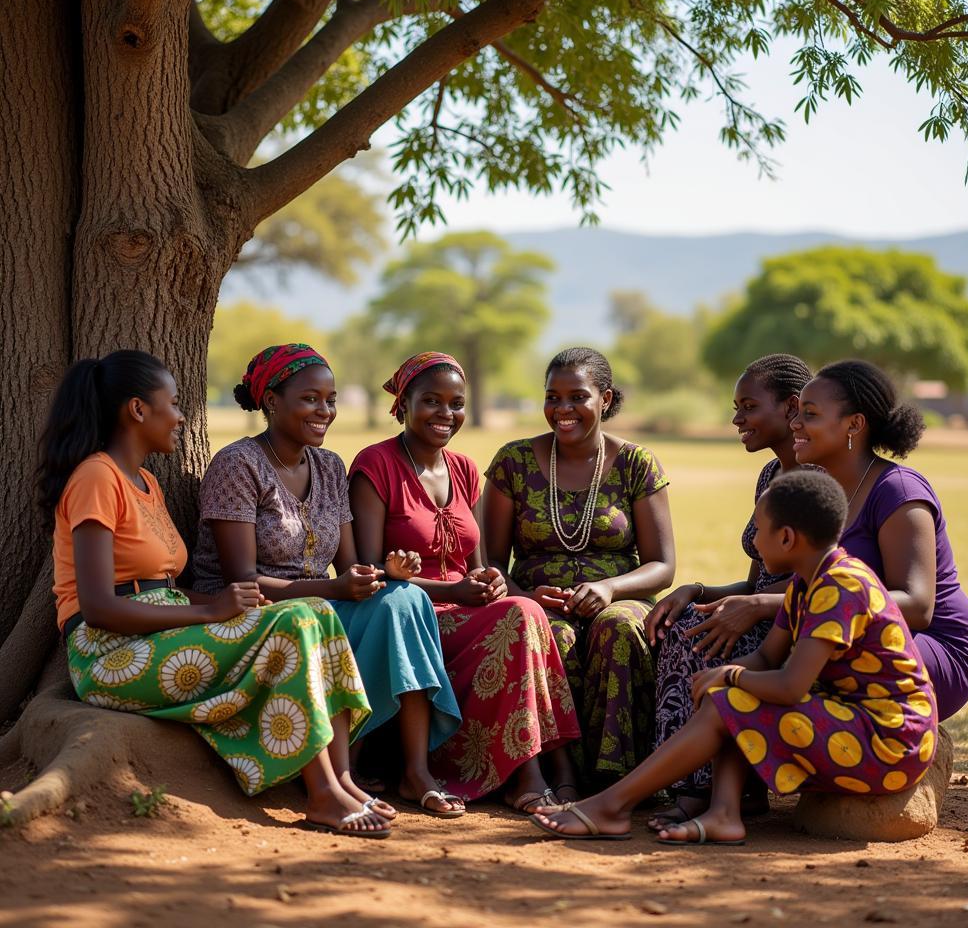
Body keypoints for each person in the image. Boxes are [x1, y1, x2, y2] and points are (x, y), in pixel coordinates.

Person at [40, 350, 388, 838]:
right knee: (293, 621)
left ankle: (340, 780)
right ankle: (322, 795)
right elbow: (98, 608)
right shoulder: (97, 477)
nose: (183, 417)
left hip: (157, 631)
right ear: (138, 410)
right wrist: (211, 614)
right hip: (108, 654)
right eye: (175, 403)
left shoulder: (144, 483)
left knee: (311, 609)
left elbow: (164, 589)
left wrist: (224, 604)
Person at [531, 469, 938, 844]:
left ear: (787, 539)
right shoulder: (806, 582)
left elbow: (790, 685)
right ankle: (722, 814)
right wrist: (719, 676)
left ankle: (610, 806)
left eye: (759, 531)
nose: (754, 542)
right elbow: (764, 657)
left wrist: (729, 677)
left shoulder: (839, 587)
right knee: (725, 697)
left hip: (892, 741)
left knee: (729, 694)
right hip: (856, 719)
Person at [191, 344, 464, 819]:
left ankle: (412, 768)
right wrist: (337, 591)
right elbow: (243, 583)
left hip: (320, 605)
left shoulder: (329, 467)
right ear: (272, 401)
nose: (325, 411)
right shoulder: (238, 465)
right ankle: (340, 771)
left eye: (331, 400)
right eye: (311, 399)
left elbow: (351, 568)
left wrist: (382, 576)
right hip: (256, 615)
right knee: (329, 613)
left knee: (404, 599)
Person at [348, 352, 580, 813]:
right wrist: (452, 591)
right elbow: (372, 573)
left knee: (526, 611)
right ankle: (528, 776)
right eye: (431, 401)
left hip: (460, 610)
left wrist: (495, 583)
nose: (446, 414)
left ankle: (533, 772)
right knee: (516, 617)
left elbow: (478, 565)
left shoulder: (464, 469)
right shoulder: (375, 465)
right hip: (408, 617)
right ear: (403, 405)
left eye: (456, 404)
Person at [483, 347, 675, 785]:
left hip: (621, 597)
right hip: (537, 600)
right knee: (554, 633)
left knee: (619, 628)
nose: (562, 409)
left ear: (605, 399)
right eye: (553, 397)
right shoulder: (514, 463)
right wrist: (523, 595)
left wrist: (609, 589)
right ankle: (557, 774)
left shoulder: (635, 464)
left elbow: (663, 566)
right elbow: (491, 560)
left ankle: (616, 779)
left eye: (577, 397)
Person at [645, 353, 811, 823]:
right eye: (735, 407)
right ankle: (698, 783)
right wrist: (696, 591)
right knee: (679, 623)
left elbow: (834, 585)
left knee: (701, 644)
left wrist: (757, 607)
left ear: (790, 406)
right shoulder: (769, 476)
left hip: (800, 623)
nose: (737, 419)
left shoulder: (822, 478)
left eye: (748, 407)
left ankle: (710, 794)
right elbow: (758, 579)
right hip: (766, 609)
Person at [791, 359, 968, 721]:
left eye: (810, 414)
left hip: (935, 644)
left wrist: (794, 608)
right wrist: (734, 599)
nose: (795, 423)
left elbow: (917, 604)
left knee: (806, 670)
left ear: (854, 424)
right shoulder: (824, 489)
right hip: (865, 635)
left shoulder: (898, 490)